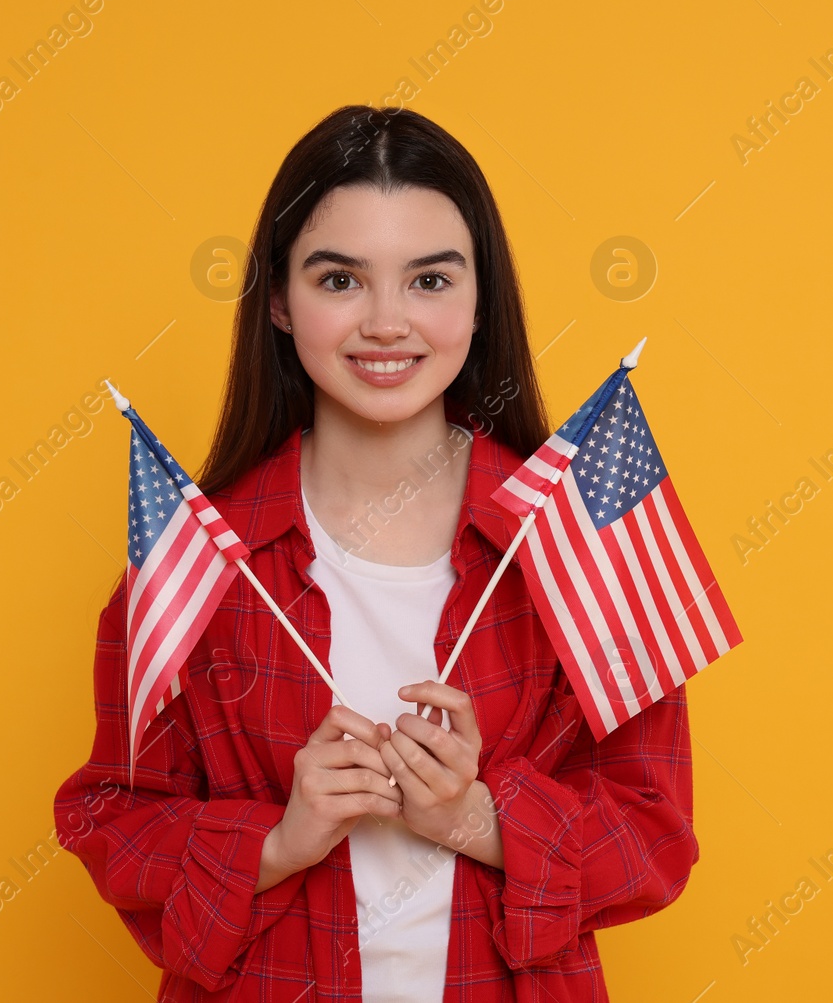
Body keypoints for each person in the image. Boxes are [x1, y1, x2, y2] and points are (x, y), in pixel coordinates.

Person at [53, 105, 698, 1001]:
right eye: (340, 279)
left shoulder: (576, 543)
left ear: (480, 301)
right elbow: (111, 815)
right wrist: (279, 839)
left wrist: (475, 815)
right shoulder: (198, 563)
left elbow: (654, 831)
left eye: (430, 281)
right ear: (279, 300)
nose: (388, 322)